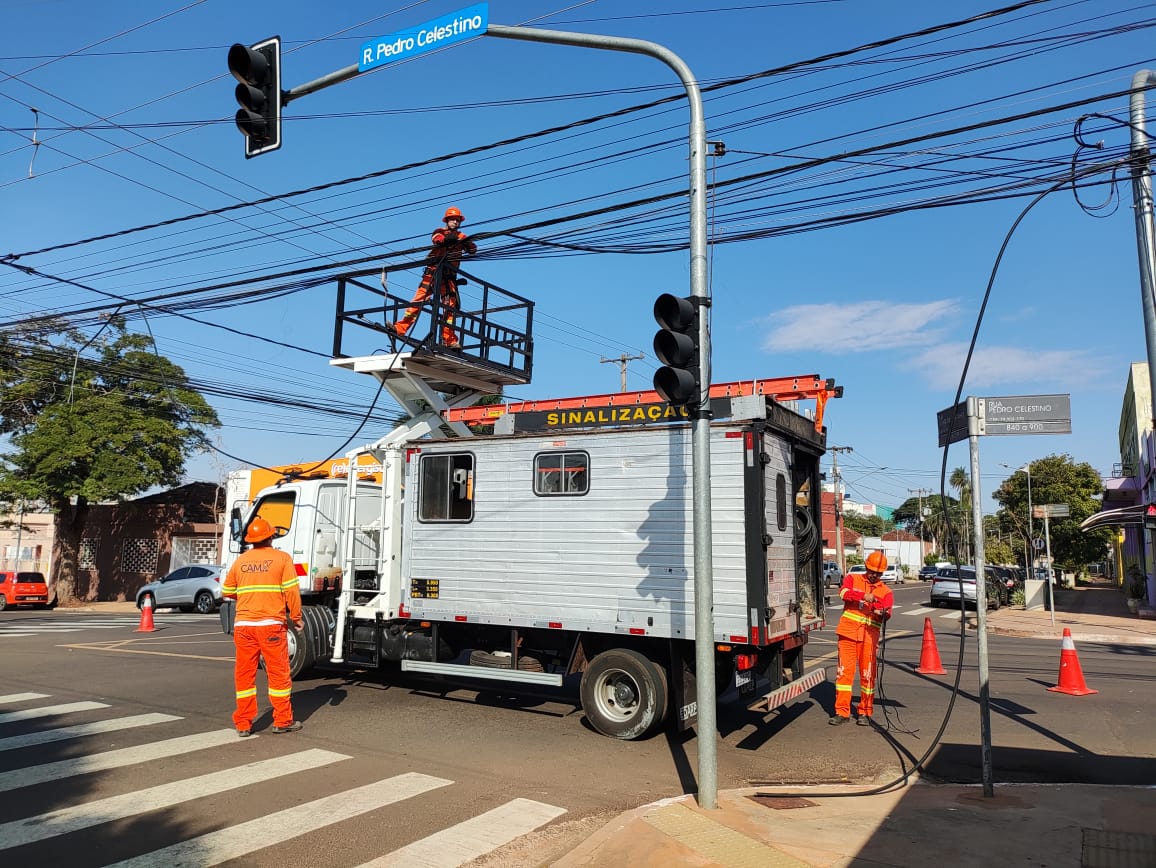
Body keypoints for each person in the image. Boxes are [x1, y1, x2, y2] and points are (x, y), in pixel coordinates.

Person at [222, 516, 304, 737]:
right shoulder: (282, 559)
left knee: (245, 675)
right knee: (278, 674)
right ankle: (282, 720)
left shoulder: (241, 561)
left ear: (250, 540)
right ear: (270, 537)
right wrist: (296, 617)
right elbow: (292, 592)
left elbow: (227, 591)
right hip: (271, 626)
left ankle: (243, 723)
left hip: (244, 626)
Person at [391, 206, 477, 348]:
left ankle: (449, 340)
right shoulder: (439, 232)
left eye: (457, 220)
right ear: (447, 221)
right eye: (452, 219)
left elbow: (473, 249)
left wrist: (466, 243)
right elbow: (438, 239)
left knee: (450, 307)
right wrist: (453, 239)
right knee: (418, 301)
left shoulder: (462, 237)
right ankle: (400, 328)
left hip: (448, 278)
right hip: (432, 275)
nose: (455, 222)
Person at [830, 549, 893, 726]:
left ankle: (865, 712)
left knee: (868, 676)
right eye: (872, 571)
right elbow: (843, 593)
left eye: (878, 573)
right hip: (848, 634)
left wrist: (881, 613)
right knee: (844, 674)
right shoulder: (853, 579)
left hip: (869, 639)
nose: (874, 575)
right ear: (866, 567)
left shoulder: (886, 591)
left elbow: (888, 612)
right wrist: (863, 596)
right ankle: (841, 712)